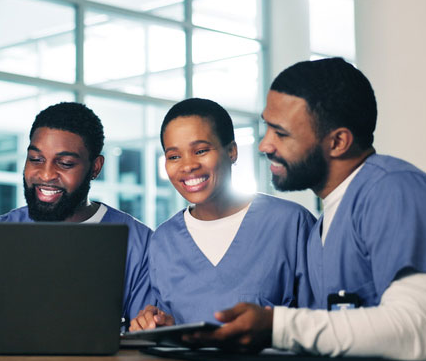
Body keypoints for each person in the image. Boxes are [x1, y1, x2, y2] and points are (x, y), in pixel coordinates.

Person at [186, 58, 426, 361]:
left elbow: (419, 332)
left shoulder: (397, 191)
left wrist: (277, 327)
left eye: (280, 134)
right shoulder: (324, 223)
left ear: (337, 142)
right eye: (266, 127)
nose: (264, 145)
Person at [129, 98, 315, 330]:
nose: (188, 166)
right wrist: (158, 324)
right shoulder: (163, 240)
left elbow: (320, 321)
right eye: (174, 156)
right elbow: (167, 327)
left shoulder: (290, 223)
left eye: (201, 151)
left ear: (232, 151)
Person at [0, 102, 152, 321]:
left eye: (65, 163)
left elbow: (143, 333)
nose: (46, 174)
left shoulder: (138, 243)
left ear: (95, 168)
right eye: (36, 159)